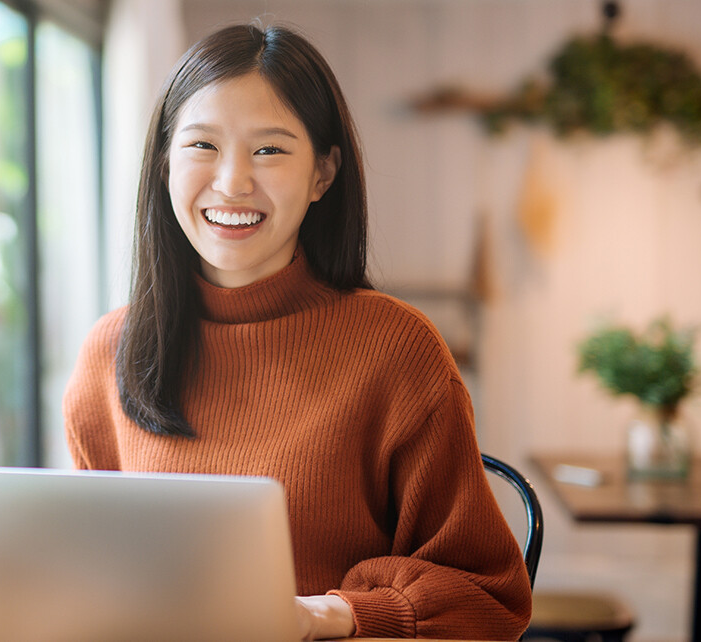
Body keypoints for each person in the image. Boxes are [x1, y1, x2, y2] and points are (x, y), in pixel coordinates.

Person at [63, 24, 532, 640]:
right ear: (163, 164)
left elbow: (487, 594)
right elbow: (84, 569)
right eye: (202, 145)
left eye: (269, 150)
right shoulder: (110, 353)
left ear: (323, 174)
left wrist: (326, 614)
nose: (232, 182)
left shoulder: (396, 350)